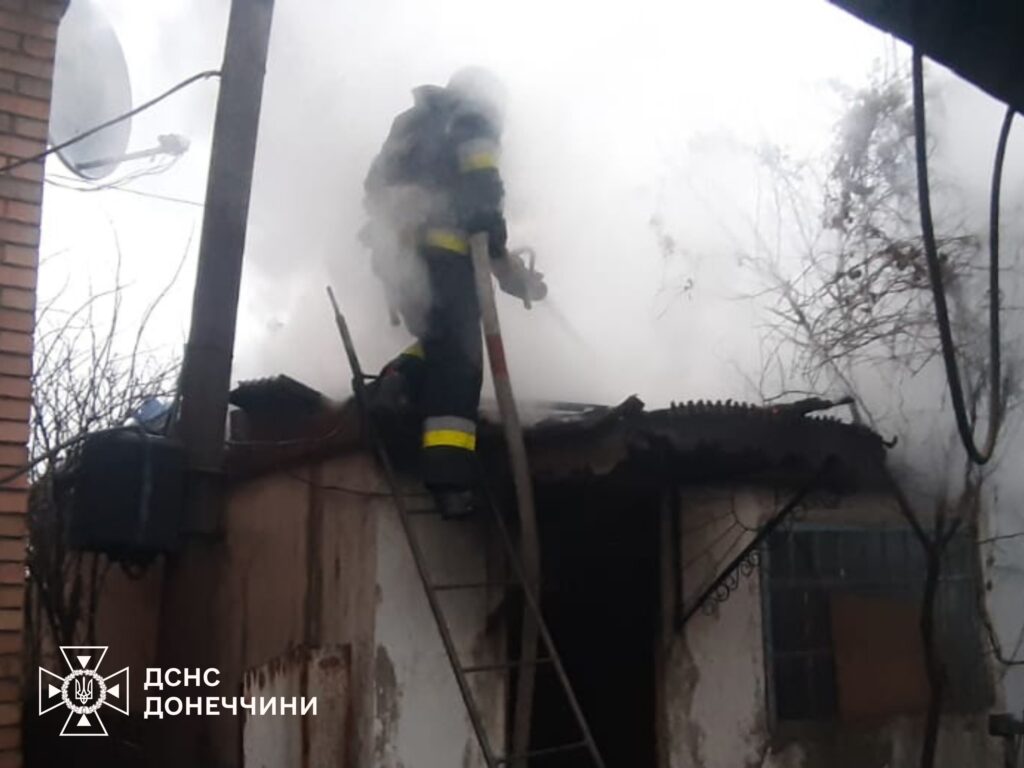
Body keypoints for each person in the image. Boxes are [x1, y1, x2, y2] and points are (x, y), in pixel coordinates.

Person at [360, 67, 546, 518]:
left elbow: (380, 194)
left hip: (399, 261)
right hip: (442, 257)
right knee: (461, 365)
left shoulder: (414, 125)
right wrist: (492, 226)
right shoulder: (473, 116)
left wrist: (513, 276)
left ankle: (397, 381)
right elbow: (481, 200)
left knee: (440, 345)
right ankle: (449, 478)